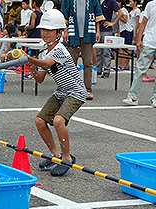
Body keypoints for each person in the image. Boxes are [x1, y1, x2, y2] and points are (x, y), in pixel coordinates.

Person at [26, 9, 86, 177]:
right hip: (61, 92)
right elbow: (40, 78)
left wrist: (29, 59)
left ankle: (67, 158)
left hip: (75, 92)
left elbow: (45, 64)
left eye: (49, 30)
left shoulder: (59, 49)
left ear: (59, 33)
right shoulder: (45, 52)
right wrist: (32, 68)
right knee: (39, 121)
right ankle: (55, 155)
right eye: (43, 29)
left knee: (59, 121)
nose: (45, 33)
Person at [61, 0, 104, 100]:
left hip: (88, 33)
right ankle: (70, 88)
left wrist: (98, 32)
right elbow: (64, 16)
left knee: (88, 63)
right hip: (72, 33)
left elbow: (98, 15)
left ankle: (87, 89)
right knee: (71, 63)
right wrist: (65, 31)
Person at [122, 0, 156, 108]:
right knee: (140, 68)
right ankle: (132, 97)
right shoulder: (151, 4)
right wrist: (139, 38)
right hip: (150, 40)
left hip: (150, 40)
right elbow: (143, 22)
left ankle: (155, 98)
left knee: (141, 68)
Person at [95, 0, 124, 78]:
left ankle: (106, 70)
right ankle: (98, 70)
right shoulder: (96, 1)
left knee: (106, 52)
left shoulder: (111, 1)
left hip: (106, 30)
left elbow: (121, 13)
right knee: (98, 52)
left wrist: (113, 23)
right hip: (96, 29)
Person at [114, 0, 133, 70]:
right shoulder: (122, 10)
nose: (116, 3)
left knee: (126, 49)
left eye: (118, 2)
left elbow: (125, 20)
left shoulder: (122, 10)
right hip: (124, 30)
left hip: (127, 30)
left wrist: (118, 16)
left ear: (121, 3)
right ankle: (126, 65)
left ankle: (122, 65)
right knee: (125, 48)